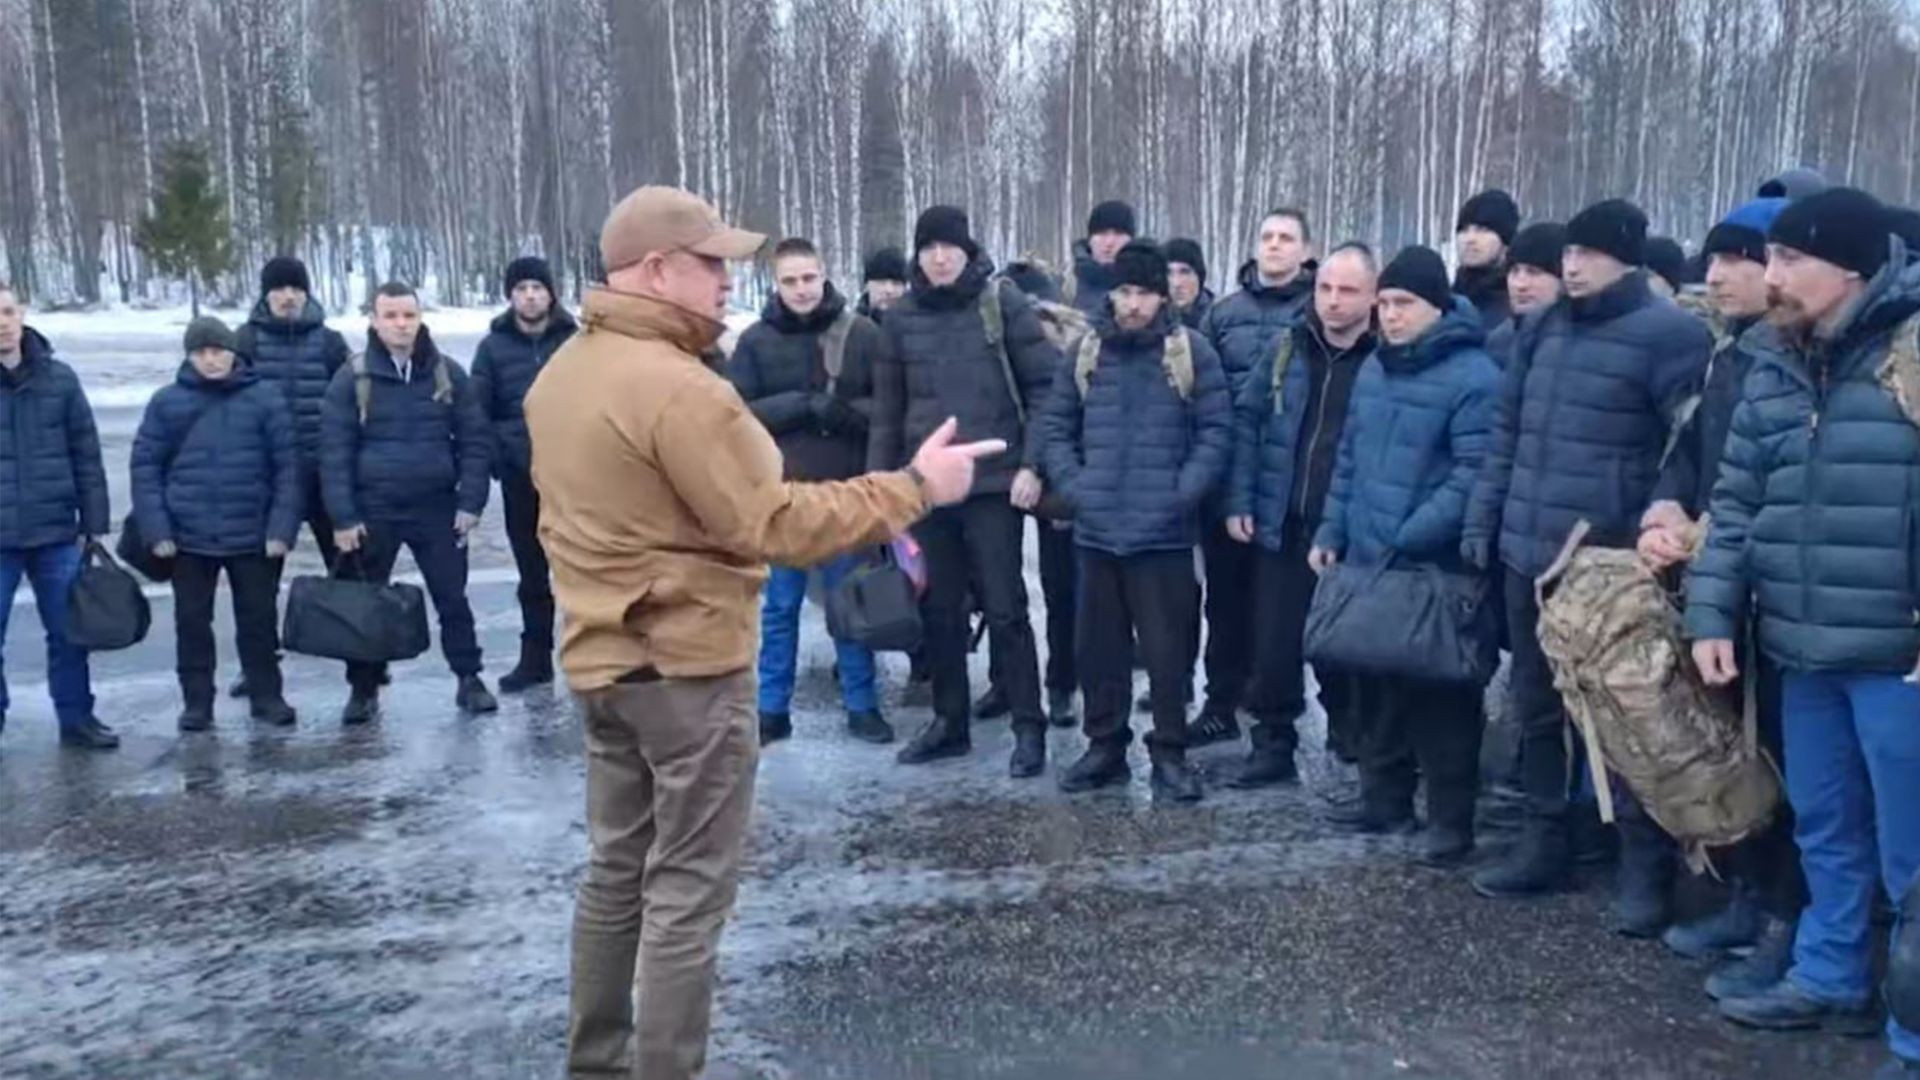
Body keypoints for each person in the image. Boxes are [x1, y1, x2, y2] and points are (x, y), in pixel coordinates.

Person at [524, 184, 1004, 1080]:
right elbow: (775, 522)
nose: (727, 281)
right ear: (654, 269)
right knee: (687, 892)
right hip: (685, 672)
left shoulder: (564, 374)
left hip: (602, 663)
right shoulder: (679, 389)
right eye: (710, 263)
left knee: (616, 872)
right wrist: (913, 488)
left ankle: (598, 1063)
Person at [1685, 188, 1920, 1078]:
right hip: (1802, 647)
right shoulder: (1773, 363)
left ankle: (1913, 1031)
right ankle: (1830, 975)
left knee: (1913, 855)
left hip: (1899, 657)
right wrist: (1712, 610)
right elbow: (1737, 502)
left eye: (1789, 259)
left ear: (1851, 270)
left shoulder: (1910, 356)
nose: (1769, 276)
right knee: (1825, 824)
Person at [1463, 198, 1712, 912]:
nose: (1572, 266)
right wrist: (1486, 519)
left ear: (1625, 260)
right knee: (1537, 709)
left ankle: (1643, 866)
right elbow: (1507, 435)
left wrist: (1654, 530)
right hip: (1527, 552)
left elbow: (1685, 451)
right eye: (1569, 253)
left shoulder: (1670, 336)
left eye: (1589, 254)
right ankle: (1544, 842)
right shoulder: (1541, 329)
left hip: (1607, 565)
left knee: (1624, 716)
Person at [1639, 196, 1804, 989]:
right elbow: (1688, 452)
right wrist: (1665, 510)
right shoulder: (1727, 352)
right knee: (1733, 750)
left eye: (1739, 258)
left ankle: (1790, 922)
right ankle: (1746, 894)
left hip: (1779, 594)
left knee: (1788, 765)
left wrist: (1708, 536)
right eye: (1714, 259)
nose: (1718, 275)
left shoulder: (1796, 360)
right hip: (1718, 585)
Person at [1310, 246, 1498, 863]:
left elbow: (1474, 473)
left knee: (1441, 695)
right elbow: (1348, 458)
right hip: (1370, 556)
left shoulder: (1475, 376)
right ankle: (1384, 797)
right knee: (1375, 682)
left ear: (1437, 306)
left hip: (1432, 564)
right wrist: (1332, 531)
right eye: (1385, 303)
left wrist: (1413, 531)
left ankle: (1449, 819)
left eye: (1404, 304)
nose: (1390, 315)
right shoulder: (1376, 368)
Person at [869, 205, 1061, 776]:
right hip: (926, 486)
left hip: (993, 484)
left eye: (949, 246)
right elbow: (887, 413)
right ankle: (949, 722)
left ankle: (1029, 726)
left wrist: (1033, 465)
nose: (939, 257)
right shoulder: (900, 319)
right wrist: (879, 493)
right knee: (939, 609)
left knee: (1005, 607)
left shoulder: (1001, 304)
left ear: (967, 250)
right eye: (929, 248)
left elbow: (1046, 390)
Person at [1037, 239, 1231, 801]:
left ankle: (1169, 752)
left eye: (1144, 292)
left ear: (1162, 296)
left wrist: (1181, 493)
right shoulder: (1085, 352)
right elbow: (1056, 427)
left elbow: (1217, 432)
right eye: (1124, 291)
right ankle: (1105, 748)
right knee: (1099, 651)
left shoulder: (1191, 351)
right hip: (1097, 533)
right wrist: (1078, 489)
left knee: (1167, 656)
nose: (1133, 303)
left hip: (1163, 536)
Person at [1217, 242, 1376, 786]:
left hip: (1350, 531)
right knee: (1274, 643)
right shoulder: (1289, 346)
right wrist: (1240, 500)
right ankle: (1273, 743)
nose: (1332, 301)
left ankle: (1352, 734)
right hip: (1283, 520)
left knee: (1347, 644)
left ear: (1373, 296)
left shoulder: (1383, 358)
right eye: (1325, 288)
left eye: (1347, 290)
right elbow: (1248, 420)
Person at [728, 237, 893, 745]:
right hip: (781, 498)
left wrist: (843, 415)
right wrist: (799, 405)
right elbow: (735, 415)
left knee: (852, 605)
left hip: (845, 494)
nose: (801, 289)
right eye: (790, 280)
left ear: (824, 275)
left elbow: (888, 409)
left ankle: (862, 705)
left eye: (808, 278)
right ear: (776, 284)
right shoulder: (755, 342)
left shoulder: (861, 335)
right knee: (780, 609)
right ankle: (771, 709)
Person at [320, 281, 496, 724]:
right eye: (391, 316)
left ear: (420, 319)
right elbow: (334, 453)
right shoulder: (352, 377)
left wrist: (471, 503)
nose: (401, 324)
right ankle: (363, 689)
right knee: (365, 603)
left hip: (437, 509)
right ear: (374, 321)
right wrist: (343, 517)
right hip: (374, 510)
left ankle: (469, 678)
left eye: (409, 315)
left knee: (452, 598)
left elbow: (475, 441)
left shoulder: (446, 373)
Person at [130, 316, 299, 731]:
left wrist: (281, 528)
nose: (210, 360)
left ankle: (267, 696)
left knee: (258, 622)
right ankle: (197, 703)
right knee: (192, 625)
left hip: (253, 535)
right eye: (201, 352)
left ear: (233, 353)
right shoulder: (167, 403)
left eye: (218, 351)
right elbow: (146, 468)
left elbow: (288, 469)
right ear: (189, 357)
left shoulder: (265, 399)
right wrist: (158, 530)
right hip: (188, 538)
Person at [1193, 208, 1317, 747]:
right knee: (1224, 604)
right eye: (1267, 236)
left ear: (1306, 250)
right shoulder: (1223, 314)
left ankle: (1282, 713)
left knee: (1282, 612)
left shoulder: (1318, 312)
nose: (1274, 246)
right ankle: (1220, 703)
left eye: (1286, 238)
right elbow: (1204, 394)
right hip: (1229, 480)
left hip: (1291, 485)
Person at [0, 283, 117, 750]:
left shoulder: (60, 380)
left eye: (8, 311)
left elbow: (86, 453)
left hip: (55, 532)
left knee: (70, 632)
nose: (2, 323)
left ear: (22, 314)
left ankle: (77, 717)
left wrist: (94, 522)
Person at [230, 255, 350, 699]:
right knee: (257, 587)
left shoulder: (330, 343)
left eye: (296, 289)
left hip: (324, 475)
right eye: (279, 289)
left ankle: (364, 663)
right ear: (266, 295)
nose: (288, 297)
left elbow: (352, 406)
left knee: (349, 571)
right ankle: (257, 667)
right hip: (266, 481)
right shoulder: (245, 342)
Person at [471, 256, 577, 693]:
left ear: (551, 294)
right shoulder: (492, 348)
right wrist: (501, 457)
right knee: (532, 576)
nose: (530, 296)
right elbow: (477, 412)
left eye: (537, 288)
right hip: (521, 479)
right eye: (521, 289)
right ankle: (535, 659)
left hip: (576, 479)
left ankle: (592, 657)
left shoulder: (576, 341)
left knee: (583, 573)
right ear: (510, 296)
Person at [1485, 222, 1565, 370]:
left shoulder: (1585, 345)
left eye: (1534, 272)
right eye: (1514, 271)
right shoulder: (1496, 343)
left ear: (1562, 279)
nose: (1520, 285)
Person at [1454, 189, 1520, 328]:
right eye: (1464, 230)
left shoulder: (1519, 303)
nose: (1470, 239)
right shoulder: (1446, 301)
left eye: (1482, 230)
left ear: (1505, 240)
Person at [1067, 200, 1136, 316]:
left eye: (1118, 233)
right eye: (1102, 233)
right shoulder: (1069, 284)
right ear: (1090, 239)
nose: (1109, 242)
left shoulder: (1148, 283)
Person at [1166, 237, 1214, 329]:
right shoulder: (1151, 321)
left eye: (1185, 272)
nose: (1176, 283)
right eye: (1168, 273)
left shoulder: (1219, 320)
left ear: (1199, 277)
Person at [857, 247, 909, 321]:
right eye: (882, 282)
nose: (889, 290)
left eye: (896, 283)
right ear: (867, 286)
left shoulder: (918, 325)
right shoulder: (851, 326)